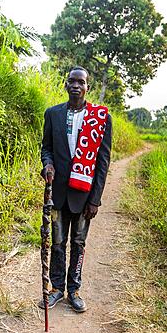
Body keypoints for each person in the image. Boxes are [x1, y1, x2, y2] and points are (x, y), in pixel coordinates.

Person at [39, 66, 112, 312]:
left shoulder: (100, 118)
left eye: (81, 82)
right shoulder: (53, 114)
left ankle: (74, 289)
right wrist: (47, 164)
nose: (76, 85)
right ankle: (57, 288)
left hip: (84, 194)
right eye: (72, 81)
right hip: (58, 192)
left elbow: (103, 162)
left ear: (87, 87)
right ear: (66, 84)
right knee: (58, 243)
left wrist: (96, 199)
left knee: (78, 243)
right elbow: (46, 148)